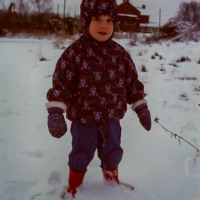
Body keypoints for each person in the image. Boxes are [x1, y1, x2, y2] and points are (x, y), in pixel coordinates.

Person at [46, 0, 151, 198]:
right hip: (83, 119)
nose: (104, 25)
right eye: (97, 19)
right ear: (86, 21)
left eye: (109, 19)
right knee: (80, 155)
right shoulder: (75, 53)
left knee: (113, 153)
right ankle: (74, 187)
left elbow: (132, 83)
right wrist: (56, 110)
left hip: (111, 118)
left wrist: (141, 107)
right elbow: (62, 83)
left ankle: (111, 184)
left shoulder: (120, 54)